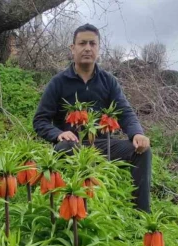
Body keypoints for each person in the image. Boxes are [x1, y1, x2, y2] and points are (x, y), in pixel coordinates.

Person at [33, 24, 152, 212]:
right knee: (64, 148)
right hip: (72, 144)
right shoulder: (59, 82)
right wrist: (58, 134)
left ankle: (141, 213)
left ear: (98, 48)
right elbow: (40, 120)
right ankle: (67, 206)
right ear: (73, 48)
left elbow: (124, 112)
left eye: (92, 44)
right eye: (82, 43)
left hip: (102, 144)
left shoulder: (108, 81)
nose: (87, 48)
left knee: (141, 151)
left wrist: (137, 133)